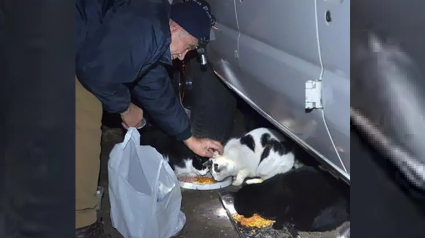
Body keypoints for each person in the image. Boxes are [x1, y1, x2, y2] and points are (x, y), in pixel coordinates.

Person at [75, 0, 221, 237]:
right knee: (86, 114)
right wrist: (124, 108)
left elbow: (156, 90)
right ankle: (79, 224)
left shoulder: (152, 31)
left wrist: (191, 140)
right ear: (174, 29)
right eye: (188, 46)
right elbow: (95, 73)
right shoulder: (146, 27)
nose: (184, 56)